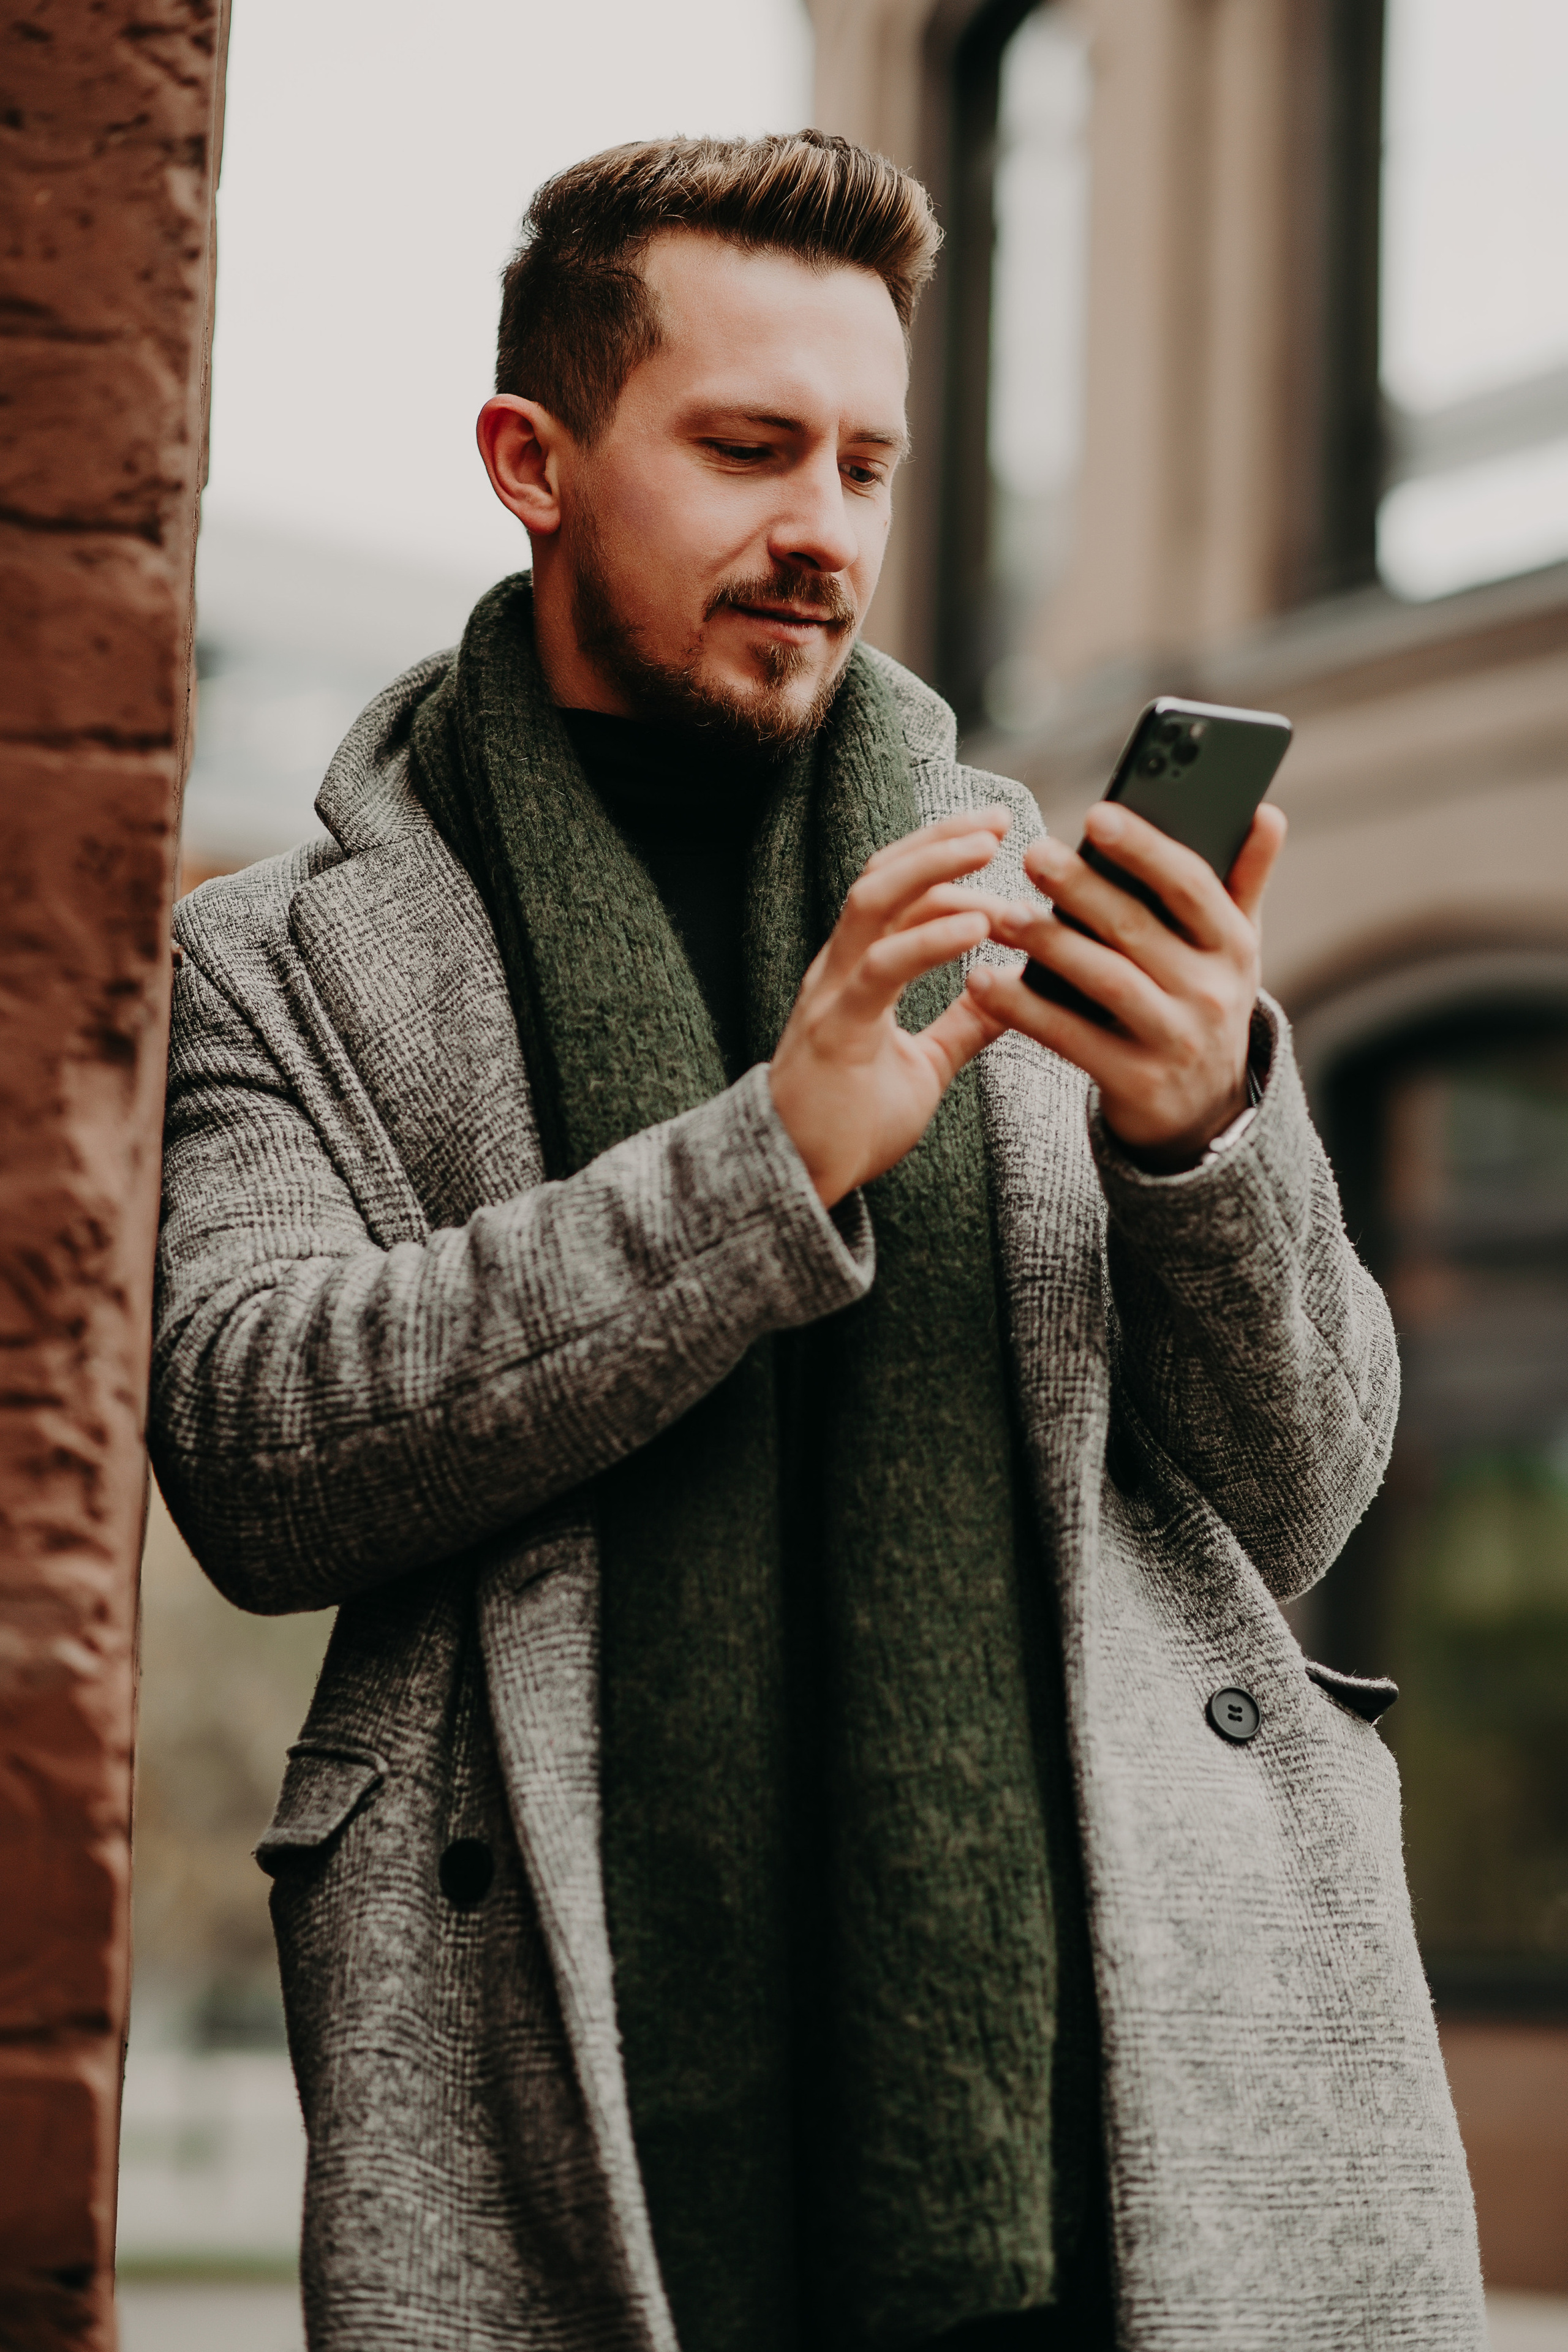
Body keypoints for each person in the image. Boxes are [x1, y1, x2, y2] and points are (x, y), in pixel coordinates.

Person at [150, 132, 1485, 2352]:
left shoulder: (1030, 904)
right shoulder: (289, 962)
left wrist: (1200, 1138)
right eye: (751, 448)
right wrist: (768, 1160)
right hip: (580, 2107)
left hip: (1131, 2140)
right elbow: (259, 1450)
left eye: (868, 460)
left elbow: (1310, 1482)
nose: (827, 532)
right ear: (532, 460)